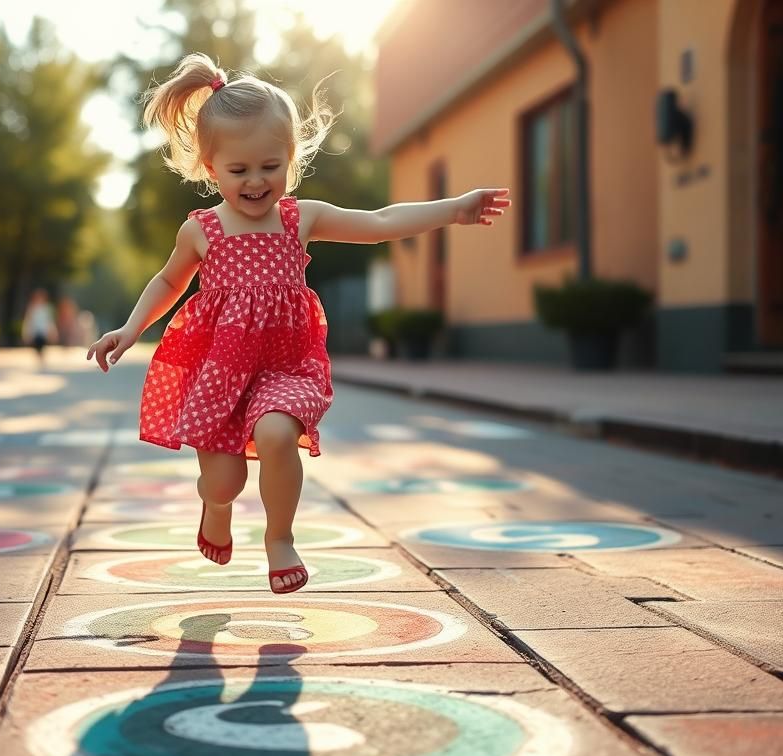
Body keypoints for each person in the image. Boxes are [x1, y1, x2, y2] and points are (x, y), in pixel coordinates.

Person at [88, 53, 509, 594]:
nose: (257, 181)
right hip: (219, 372)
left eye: (271, 165)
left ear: (290, 157)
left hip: (285, 365)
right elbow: (169, 283)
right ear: (211, 168)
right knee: (225, 478)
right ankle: (215, 508)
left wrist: (454, 209)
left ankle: (279, 538)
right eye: (239, 170)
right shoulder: (202, 231)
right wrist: (130, 328)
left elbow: (379, 223)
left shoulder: (299, 217)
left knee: (276, 432)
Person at [22, 288, 57, 367]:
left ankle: (41, 358)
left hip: (43, 332)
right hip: (35, 332)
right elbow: (28, 321)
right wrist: (27, 332)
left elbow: (49, 321)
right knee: (37, 345)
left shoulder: (46, 308)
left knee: (42, 345)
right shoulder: (31, 309)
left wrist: (52, 332)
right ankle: (39, 358)